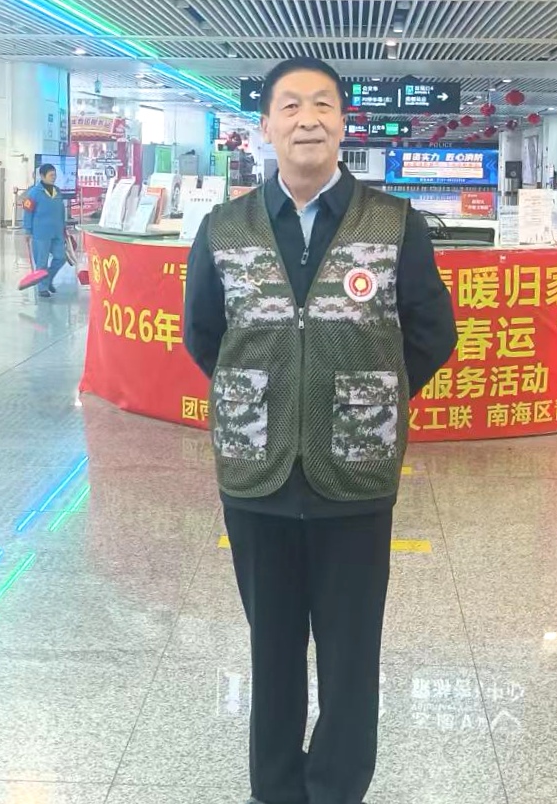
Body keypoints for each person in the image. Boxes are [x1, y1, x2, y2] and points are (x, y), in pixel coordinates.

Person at [184, 57, 458, 804]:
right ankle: (275, 790)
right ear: (266, 126)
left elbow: (431, 334)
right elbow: (205, 335)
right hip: (257, 474)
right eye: (291, 106)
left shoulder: (393, 223)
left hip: (355, 476)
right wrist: (267, 397)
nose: (307, 118)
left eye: (323, 105)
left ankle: (336, 790)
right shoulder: (225, 228)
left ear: (343, 123)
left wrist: (368, 396)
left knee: (350, 655)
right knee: (271, 652)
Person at [23, 163, 68, 299]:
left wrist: (64, 228)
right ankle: (42, 288)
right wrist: (27, 230)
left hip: (57, 231)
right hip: (41, 233)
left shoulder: (57, 191)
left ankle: (47, 280)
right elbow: (27, 212)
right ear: (42, 176)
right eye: (51, 175)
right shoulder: (34, 193)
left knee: (61, 257)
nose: (54, 177)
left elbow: (61, 211)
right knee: (41, 262)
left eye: (55, 175)